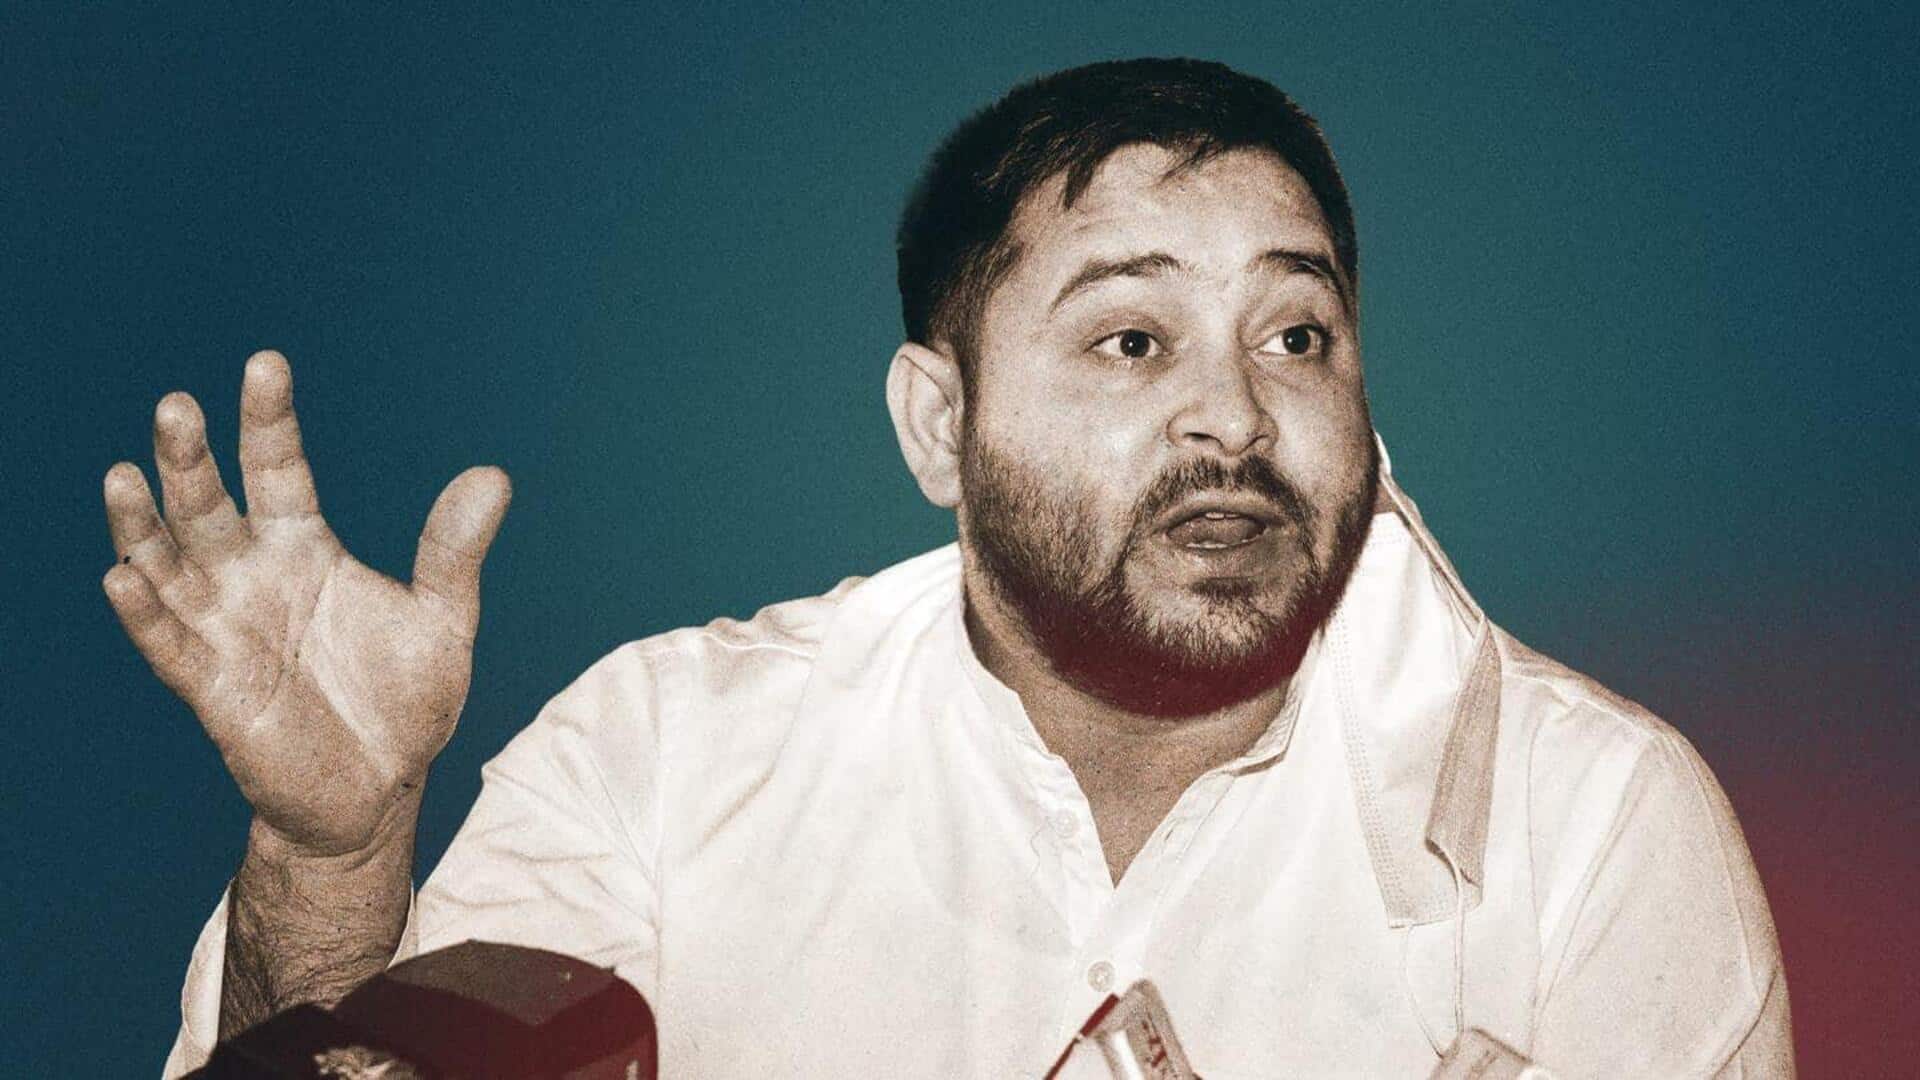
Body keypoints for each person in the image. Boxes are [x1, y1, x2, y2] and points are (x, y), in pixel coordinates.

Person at [111, 59, 1791, 1077]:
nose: (1234, 413)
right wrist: (332, 857)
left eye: (1298, 334)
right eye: (1132, 339)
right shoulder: (668, 759)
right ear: (939, 423)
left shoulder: (1594, 826)